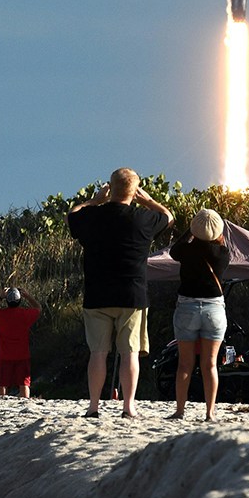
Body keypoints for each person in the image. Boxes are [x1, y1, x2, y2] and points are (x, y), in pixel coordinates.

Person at [67, 168, 173, 419]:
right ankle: (128, 406)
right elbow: (168, 217)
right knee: (129, 352)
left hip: (97, 294)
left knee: (98, 353)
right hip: (131, 294)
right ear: (134, 192)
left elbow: (72, 215)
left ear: (110, 188)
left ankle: (93, 406)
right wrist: (148, 200)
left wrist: (94, 201)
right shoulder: (142, 218)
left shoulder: (92, 216)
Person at [169, 208, 234, 421]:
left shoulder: (186, 251)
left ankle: (180, 410)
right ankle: (210, 413)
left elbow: (174, 250)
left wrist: (190, 231)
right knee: (210, 364)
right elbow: (221, 245)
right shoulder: (223, 254)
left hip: (187, 307)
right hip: (214, 309)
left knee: (185, 364)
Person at [0, 287, 40, 397]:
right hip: (22, 355)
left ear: (7, 301)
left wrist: (0, 297)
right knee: (24, 384)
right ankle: (25, 403)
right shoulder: (25, 314)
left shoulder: (1, 315)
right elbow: (38, 308)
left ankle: (2, 404)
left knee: (3, 385)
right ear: (19, 301)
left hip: (4, 356)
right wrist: (27, 296)